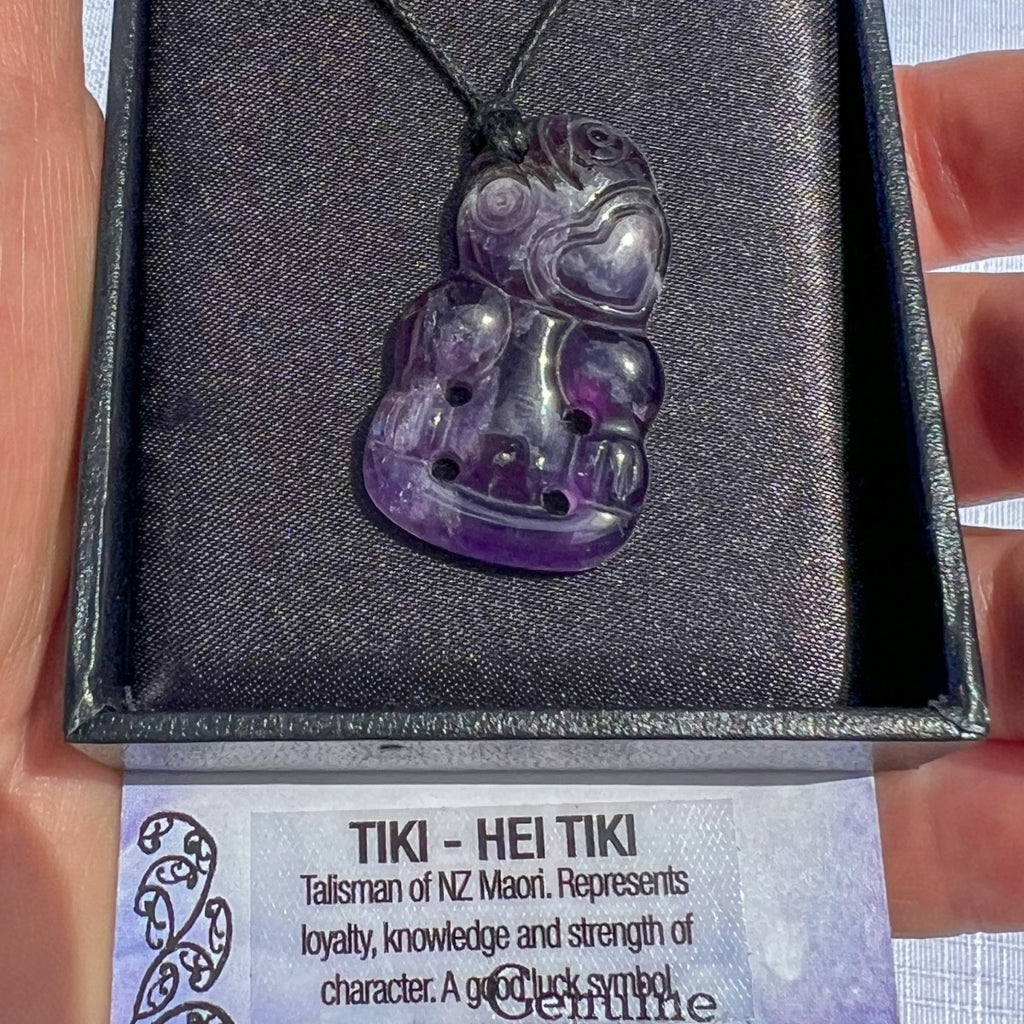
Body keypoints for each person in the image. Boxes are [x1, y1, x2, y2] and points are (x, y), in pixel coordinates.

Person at [0, 2, 1021, 1018]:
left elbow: (615, 419)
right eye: (611, 244)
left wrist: (607, 435)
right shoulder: (465, 312)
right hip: (441, 488)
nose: (638, 270)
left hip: (554, 511)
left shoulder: (610, 353)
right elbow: (421, 393)